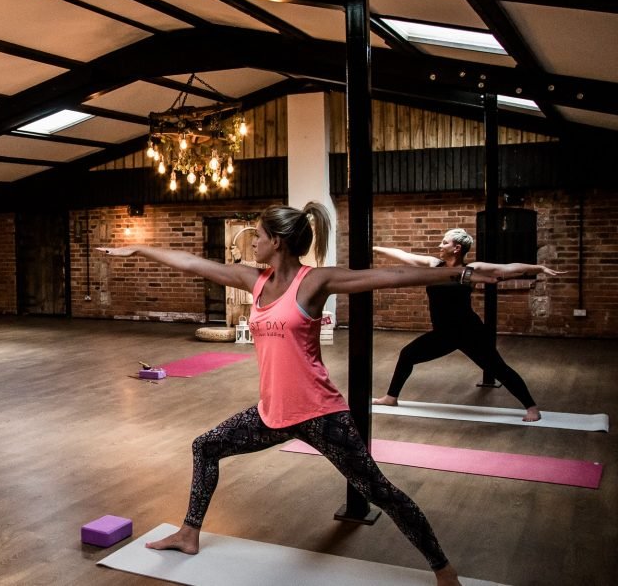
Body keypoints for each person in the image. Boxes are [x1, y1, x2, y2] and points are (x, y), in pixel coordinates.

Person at [98, 202, 499, 586]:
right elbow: (194, 264)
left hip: (321, 414)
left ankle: (444, 571)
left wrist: (460, 276)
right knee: (206, 447)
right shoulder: (252, 280)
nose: (252, 243)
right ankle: (189, 533)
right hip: (273, 413)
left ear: (278, 241)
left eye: (257, 236)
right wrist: (140, 249)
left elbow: (387, 277)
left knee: (380, 492)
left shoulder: (315, 281)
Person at [372, 230, 562, 422]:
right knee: (407, 355)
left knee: (498, 369)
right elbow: (403, 255)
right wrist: (372, 248)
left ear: (457, 248)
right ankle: (391, 397)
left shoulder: (472, 269)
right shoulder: (433, 265)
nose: (440, 245)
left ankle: (532, 408)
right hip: (443, 333)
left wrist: (538, 268)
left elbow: (507, 268)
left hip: (469, 332)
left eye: (444, 243)